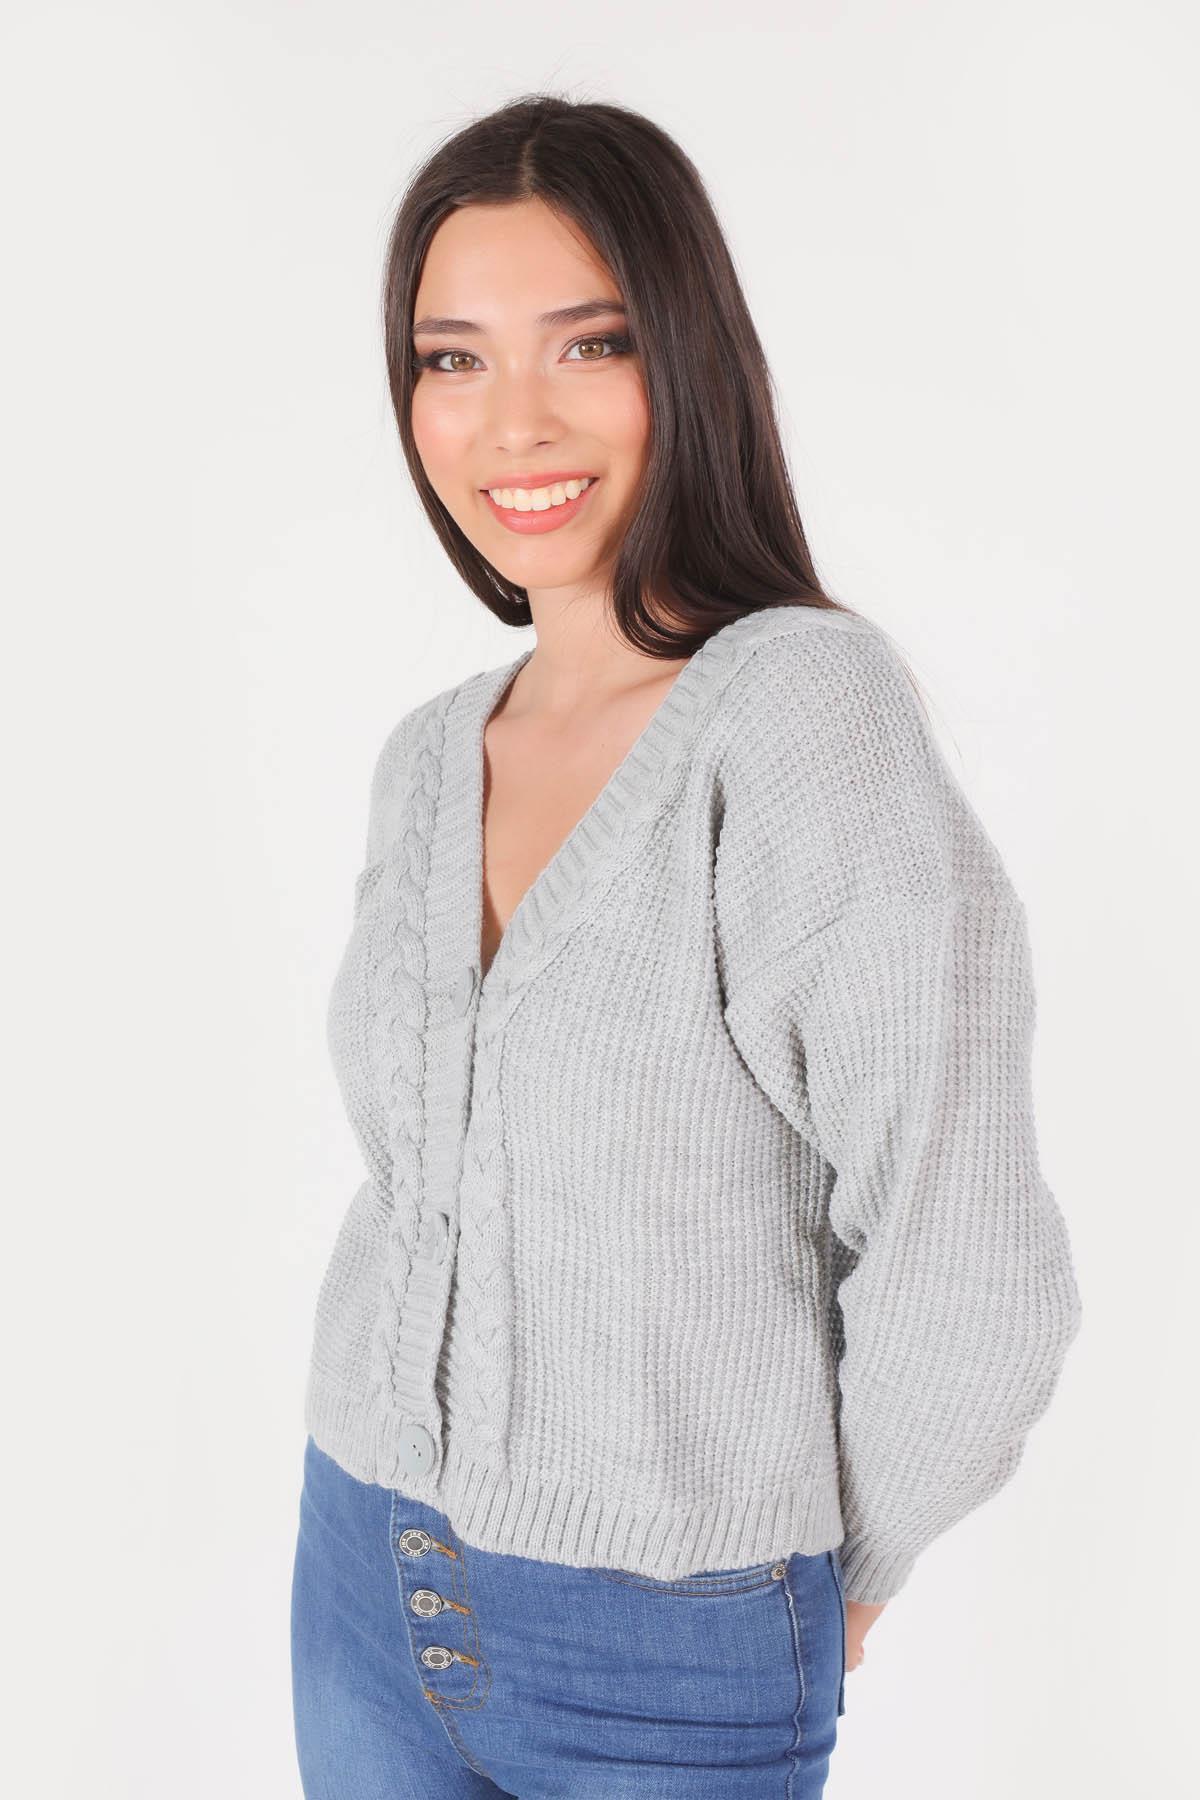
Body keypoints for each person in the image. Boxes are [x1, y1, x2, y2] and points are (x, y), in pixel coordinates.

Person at [290, 94, 1083, 1798]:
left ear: (690, 356)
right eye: (453, 360)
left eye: (589, 344)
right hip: (359, 1574)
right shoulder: (427, 756)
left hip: (670, 1643)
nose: (514, 421)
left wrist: (832, 1579)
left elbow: (966, 1248)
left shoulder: (797, 715)